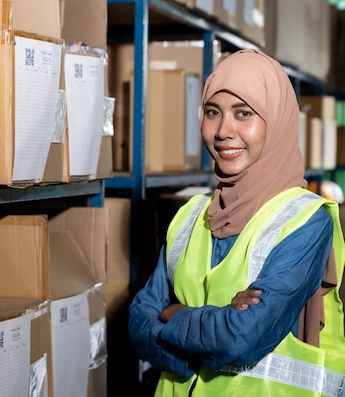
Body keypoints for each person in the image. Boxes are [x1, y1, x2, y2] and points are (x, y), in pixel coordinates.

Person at [129, 49, 345, 396]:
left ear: (276, 122)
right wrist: (210, 329)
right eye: (213, 112)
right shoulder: (190, 215)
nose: (223, 131)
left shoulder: (306, 221)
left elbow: (240, 338)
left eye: (244, 113)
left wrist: (172, 312)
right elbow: (139, 322)